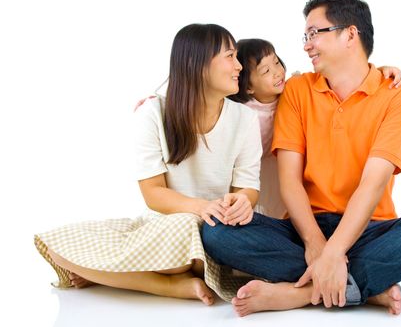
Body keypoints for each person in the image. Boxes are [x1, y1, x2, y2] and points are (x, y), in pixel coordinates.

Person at [201, 0, 401, 317]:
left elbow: (373, 183)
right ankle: (359, 287)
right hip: (302, 228)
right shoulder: (297, 89)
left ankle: (303, 292)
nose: (306, 45)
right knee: (216, 231)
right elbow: (290, 181)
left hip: (368, 228)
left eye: (314, 33)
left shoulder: (398, 96)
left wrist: (336, 251)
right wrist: (317, 247)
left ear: (350, 34)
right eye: (305, 36)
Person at [34, 23, 262, 305]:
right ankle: (170, 286)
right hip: (166, 229)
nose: (239, 65)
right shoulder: (153, 112)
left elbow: (248, 187)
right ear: (196, 63)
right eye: (230, 56)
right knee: (58, 247)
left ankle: (113, 274)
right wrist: (200, 207)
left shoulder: (244, 118)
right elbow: (153, 192)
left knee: (199, 237)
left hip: (217, 231)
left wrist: (241, 201)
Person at [228, 38, 401, 218]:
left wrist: (381, 71)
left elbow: (353, 75)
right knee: (260, 215)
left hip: (288, 170)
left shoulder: (293, 89)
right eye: (266, 71)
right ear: (248, 87)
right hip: (262, 175)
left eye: (276, 62)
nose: (277, 73)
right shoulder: (246, 115)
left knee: (288, 208)